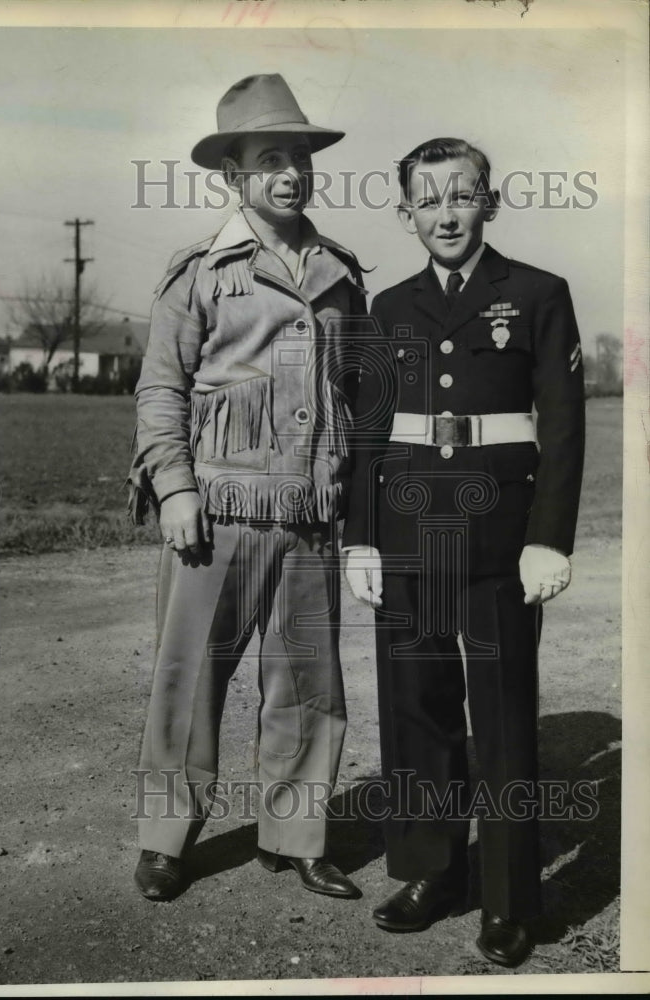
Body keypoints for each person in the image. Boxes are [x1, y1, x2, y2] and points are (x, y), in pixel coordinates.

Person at [343, 137, 585, 966]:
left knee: (506, 717)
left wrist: (548, 536)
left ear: (491, 201)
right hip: (408, 536)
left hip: (499, 541)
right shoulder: (388, 308)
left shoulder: (538, 294)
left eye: (462, 195)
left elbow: (563, 426)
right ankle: (430, 872)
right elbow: (367, 434)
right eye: (429, 199)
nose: (447, 213)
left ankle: (512, 898)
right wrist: (362, 539)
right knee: (416, 710)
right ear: (405, 212)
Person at [128, 74, 366, 902]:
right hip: (218, 506)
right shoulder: (198, 271)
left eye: (299, 157)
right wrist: (173, 488)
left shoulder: (340, 273)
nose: (290, 173)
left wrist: (351, 493)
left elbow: (357, 392)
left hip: (307, 509)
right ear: (234, 177)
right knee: (188, 676)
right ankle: (165, 837)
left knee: (307, 680)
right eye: (271, 159)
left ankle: (295, 836)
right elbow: (161, 388)